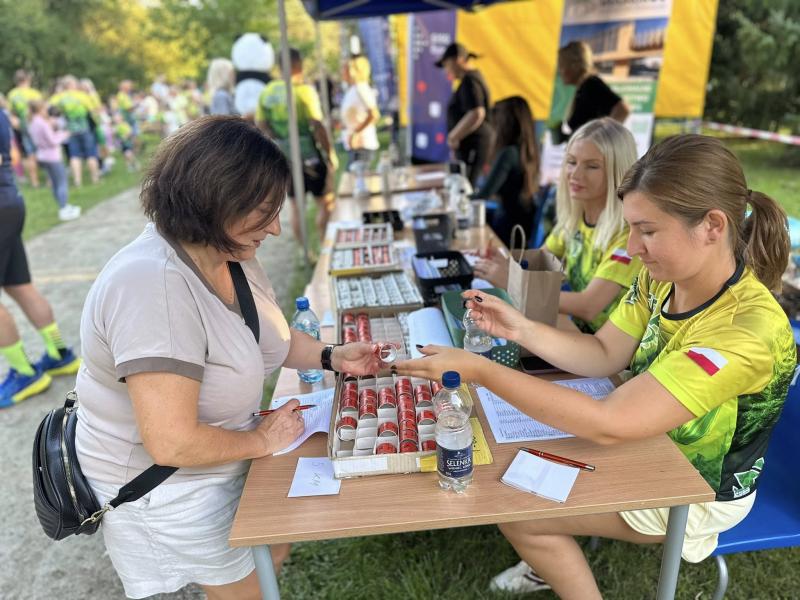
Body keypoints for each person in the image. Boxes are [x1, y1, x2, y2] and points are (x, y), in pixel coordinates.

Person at [397, 133, 795, 599]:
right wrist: (521, 328)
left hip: (698, 489)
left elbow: (610, 422)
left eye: (647, 231)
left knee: (520, 513)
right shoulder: (663, 277)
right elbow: (605, 352)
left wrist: (482, 371)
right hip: (650, 440)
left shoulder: (746, 330)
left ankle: (550, 563)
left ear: (712, 225)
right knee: (511, 466)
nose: (634, 247)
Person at [74, 116, 384, 599]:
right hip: (168, 487)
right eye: (264, 211)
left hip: (218, 457)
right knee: (248, 589)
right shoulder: (152, 287)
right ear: (215, 200)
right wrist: (261, 440)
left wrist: (333, 355)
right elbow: (172, 444)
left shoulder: (227, 249)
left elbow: (267, 339)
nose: (278, 228)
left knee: (270, 548)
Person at [476, 118, 642, 333]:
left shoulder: (627, 236)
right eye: (571, 162)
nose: (575, 174)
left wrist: (513, 283)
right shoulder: (574, 219)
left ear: (618, 173)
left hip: (603, 350)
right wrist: (500, 259)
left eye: (592, 166)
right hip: (572, 330)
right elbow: (539, 259)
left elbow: (588, 306)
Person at [0, 108, 81, 408]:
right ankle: (59, 353)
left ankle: (24, 372)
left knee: (17, 286)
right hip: (8, 199)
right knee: (18, 284)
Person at [256, 47, 337, 243]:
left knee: (295, 206)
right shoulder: (304, 91)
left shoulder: (267, 93)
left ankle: (303, 252)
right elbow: (317, 125)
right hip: (310, 155)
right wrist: (330, 152)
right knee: (326, 201)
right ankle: (323, 242)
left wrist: (279, 139)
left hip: (284, 157)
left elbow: (261, 125)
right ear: (298, 65)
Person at [471, 96, 539, 247]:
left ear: (506, 122)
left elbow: (483, 195)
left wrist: (459, 199)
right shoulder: (529, 151)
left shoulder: (508, 154)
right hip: (522, 223)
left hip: (507, 228)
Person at [435, 42, 492, 185]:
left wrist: (454, 136)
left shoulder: (470, 80)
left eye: (447, 64)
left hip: (474, 145)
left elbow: (477, 112)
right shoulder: (470, 79)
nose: (446, 70)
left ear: (459, 59)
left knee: (467, 187)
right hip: (470, 146)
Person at [555, 41, 630, 143]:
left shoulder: (591, 84)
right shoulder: (582, 88)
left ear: (574, 65)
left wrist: (602, 140)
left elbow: (623, 109)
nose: (560, 71)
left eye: (562, 65)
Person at [27, 100, 81, 221]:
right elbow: (52, 141)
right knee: (61, 182)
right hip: (52, 156)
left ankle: (63, 206)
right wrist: (64, 135)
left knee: (55, 183)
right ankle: (64, 208)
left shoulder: (32, 122)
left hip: (42, 155)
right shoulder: (42, 123)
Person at [50, 75, 99, 186]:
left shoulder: (59, 97)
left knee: (74, 156)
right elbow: (93, 110)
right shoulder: (82, 95)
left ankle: (77, 181)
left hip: (70, 130)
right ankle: (95, 179)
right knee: (91, 154)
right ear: (73, 84)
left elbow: (50, 108)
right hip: (85, 128)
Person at [340, 55, 380, 167]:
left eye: (346, 68)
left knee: (358, 180)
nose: (342, 71)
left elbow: (374, 114)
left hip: (362, 145)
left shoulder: (361, 88)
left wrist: (356, 133)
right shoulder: (352, 89)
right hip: (355, 145)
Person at [7, 69, 42, 188]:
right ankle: (50, 179)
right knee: (43, 150)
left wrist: (15, 122)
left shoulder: (12, 94)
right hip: (37, 125)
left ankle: (34, 181)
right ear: (27, 79)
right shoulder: (34, 93)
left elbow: (10, 112)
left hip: (22, 125)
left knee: (28, 153)